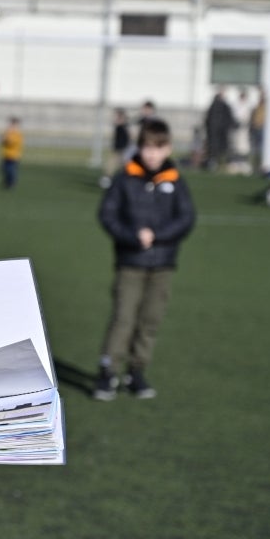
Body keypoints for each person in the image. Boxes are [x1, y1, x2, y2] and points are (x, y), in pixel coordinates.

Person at [92, 117, 196, 401]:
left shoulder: (175, 180)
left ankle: (136, 371)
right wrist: (132, 235)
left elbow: (186, 218)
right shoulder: (125, 178)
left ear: (168, 149)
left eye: (159, 148)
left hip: (162, 264)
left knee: (150, 320)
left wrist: (158, 235)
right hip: (131, 262)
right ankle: (108, 372)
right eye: (147, 147)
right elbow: (108, 215)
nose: (152, 154)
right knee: (123, 318)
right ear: (139, 148)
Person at [204, 89, 236, 170]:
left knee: (220, 149)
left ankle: (220, 162)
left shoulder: (223, 106)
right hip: (215, 133)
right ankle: (214, 162)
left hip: (220, 133)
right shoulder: (215, 106)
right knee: (214, 149)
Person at [1, 115, 25, 189]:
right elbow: (2, 140)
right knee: (4, 169)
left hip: (14, 155)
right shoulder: (7, 132)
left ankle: (12, 182)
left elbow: (13, 143)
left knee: (11, 170)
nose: (12, 125)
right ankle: (7, 181)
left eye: (14, 124)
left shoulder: (18, 133)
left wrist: (7, 140)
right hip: (6, 154)